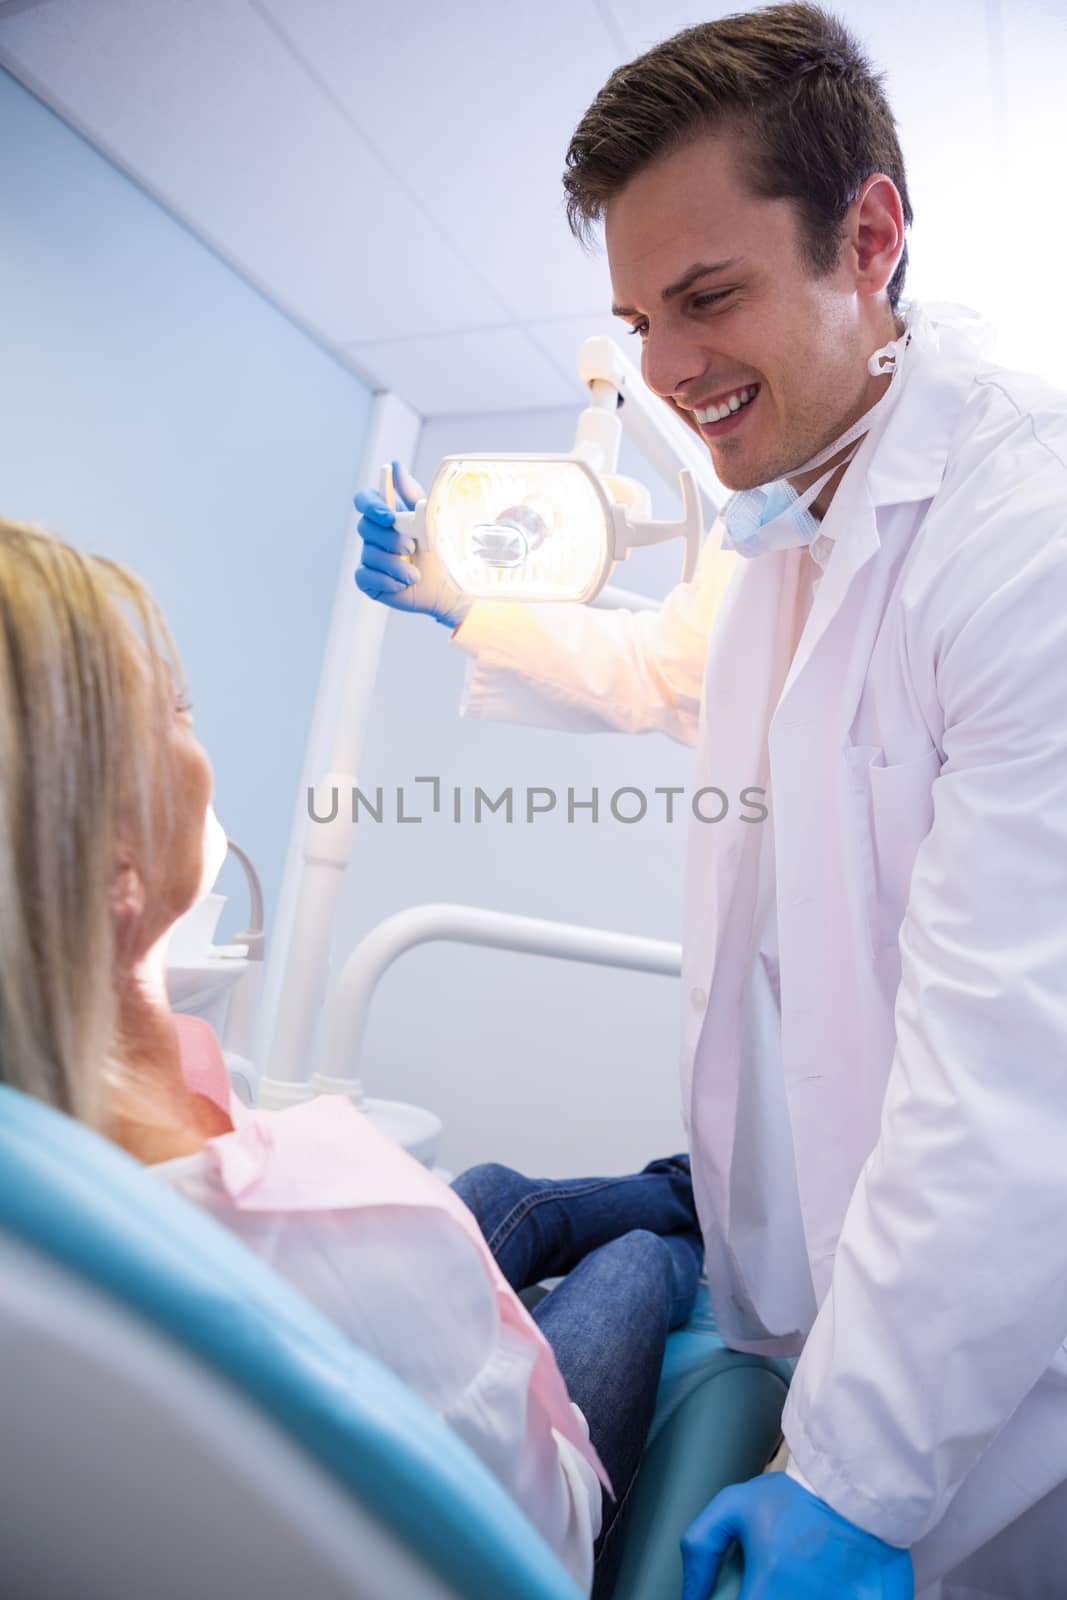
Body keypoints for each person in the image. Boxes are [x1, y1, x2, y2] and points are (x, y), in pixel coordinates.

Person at [353, 6, 1067, 1597]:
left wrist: (861, 1483)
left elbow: (1016, 1082)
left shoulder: (1025, 538)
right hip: (800, 1260)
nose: (664, 372)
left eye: (705, 299)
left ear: (866, 237)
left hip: (998, 1364)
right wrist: (460, 606)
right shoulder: (790, 527)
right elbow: (662, 672)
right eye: (633, 322)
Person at [0, 516, 705, 1600]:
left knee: (499, 1199)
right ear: (115, 869)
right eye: (176, 714)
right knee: (635, 1270)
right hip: (525, 1512)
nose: (200, 742)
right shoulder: (333, 1231)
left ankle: (659, 1188)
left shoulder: (56, 1147)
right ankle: (682, 1215)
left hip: (385, 1301)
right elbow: (515, 1484)